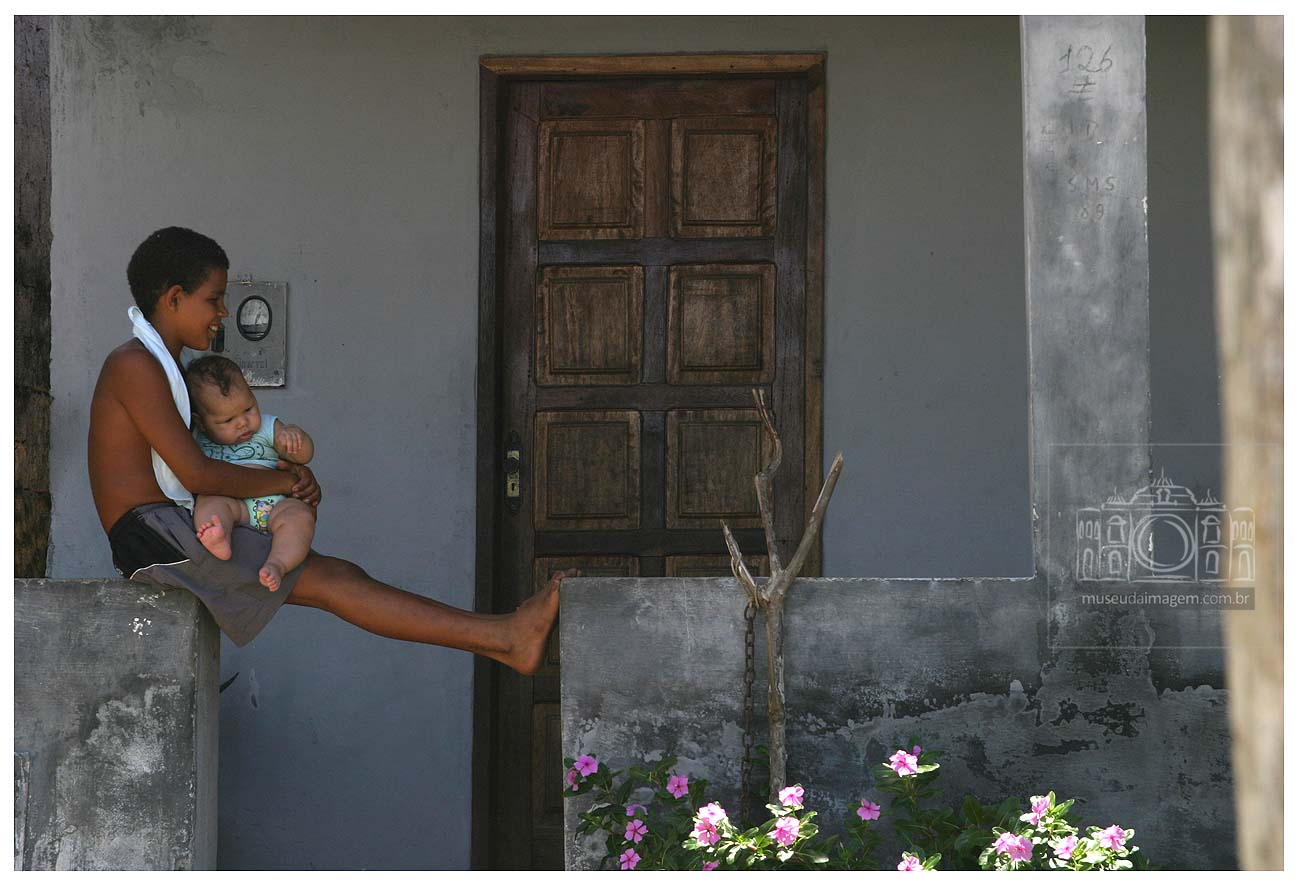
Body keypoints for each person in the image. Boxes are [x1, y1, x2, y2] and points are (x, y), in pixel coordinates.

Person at [89, 226, 570, 669]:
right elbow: (196, 473)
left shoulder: (165, 365)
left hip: (171, 523)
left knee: (339, 576)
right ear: (174, 298)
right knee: (335, 581)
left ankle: (503, 639)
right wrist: (283, 482)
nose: (223, 313)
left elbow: (212, 461)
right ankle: (506, 638)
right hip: (153, 536)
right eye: (214, 299)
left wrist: (283, 474)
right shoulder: (135, 365)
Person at [185, 353, 316, 593]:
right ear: (201, 422)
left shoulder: (267, 427)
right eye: (227, 420)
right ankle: (219, 536)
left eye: (248, 408)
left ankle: (278, 564)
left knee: (300, 516)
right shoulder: (196, 440)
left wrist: (295, 438)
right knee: (210, 502)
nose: (243, 423)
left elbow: (304, 456)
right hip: (234, 506)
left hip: (276, 504)